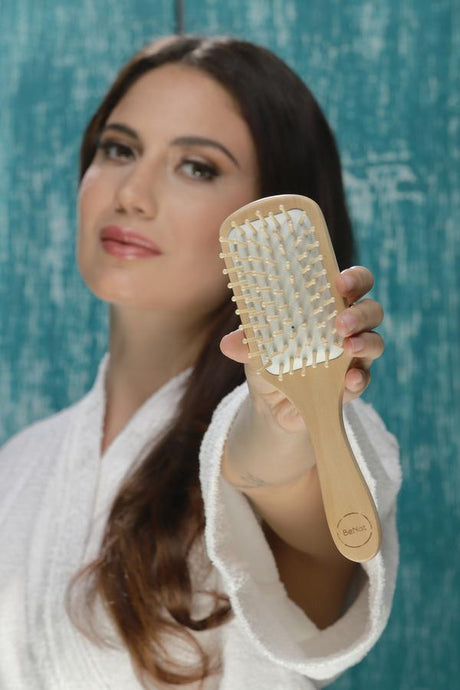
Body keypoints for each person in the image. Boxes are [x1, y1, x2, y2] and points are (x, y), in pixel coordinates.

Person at [0, 35, 401, 689]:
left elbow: (275, 476)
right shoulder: (19, 464)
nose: (132, 193)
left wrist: (285, 420)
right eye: (118, 149)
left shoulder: (307, 427)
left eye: (196, 167)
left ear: (271, 218)